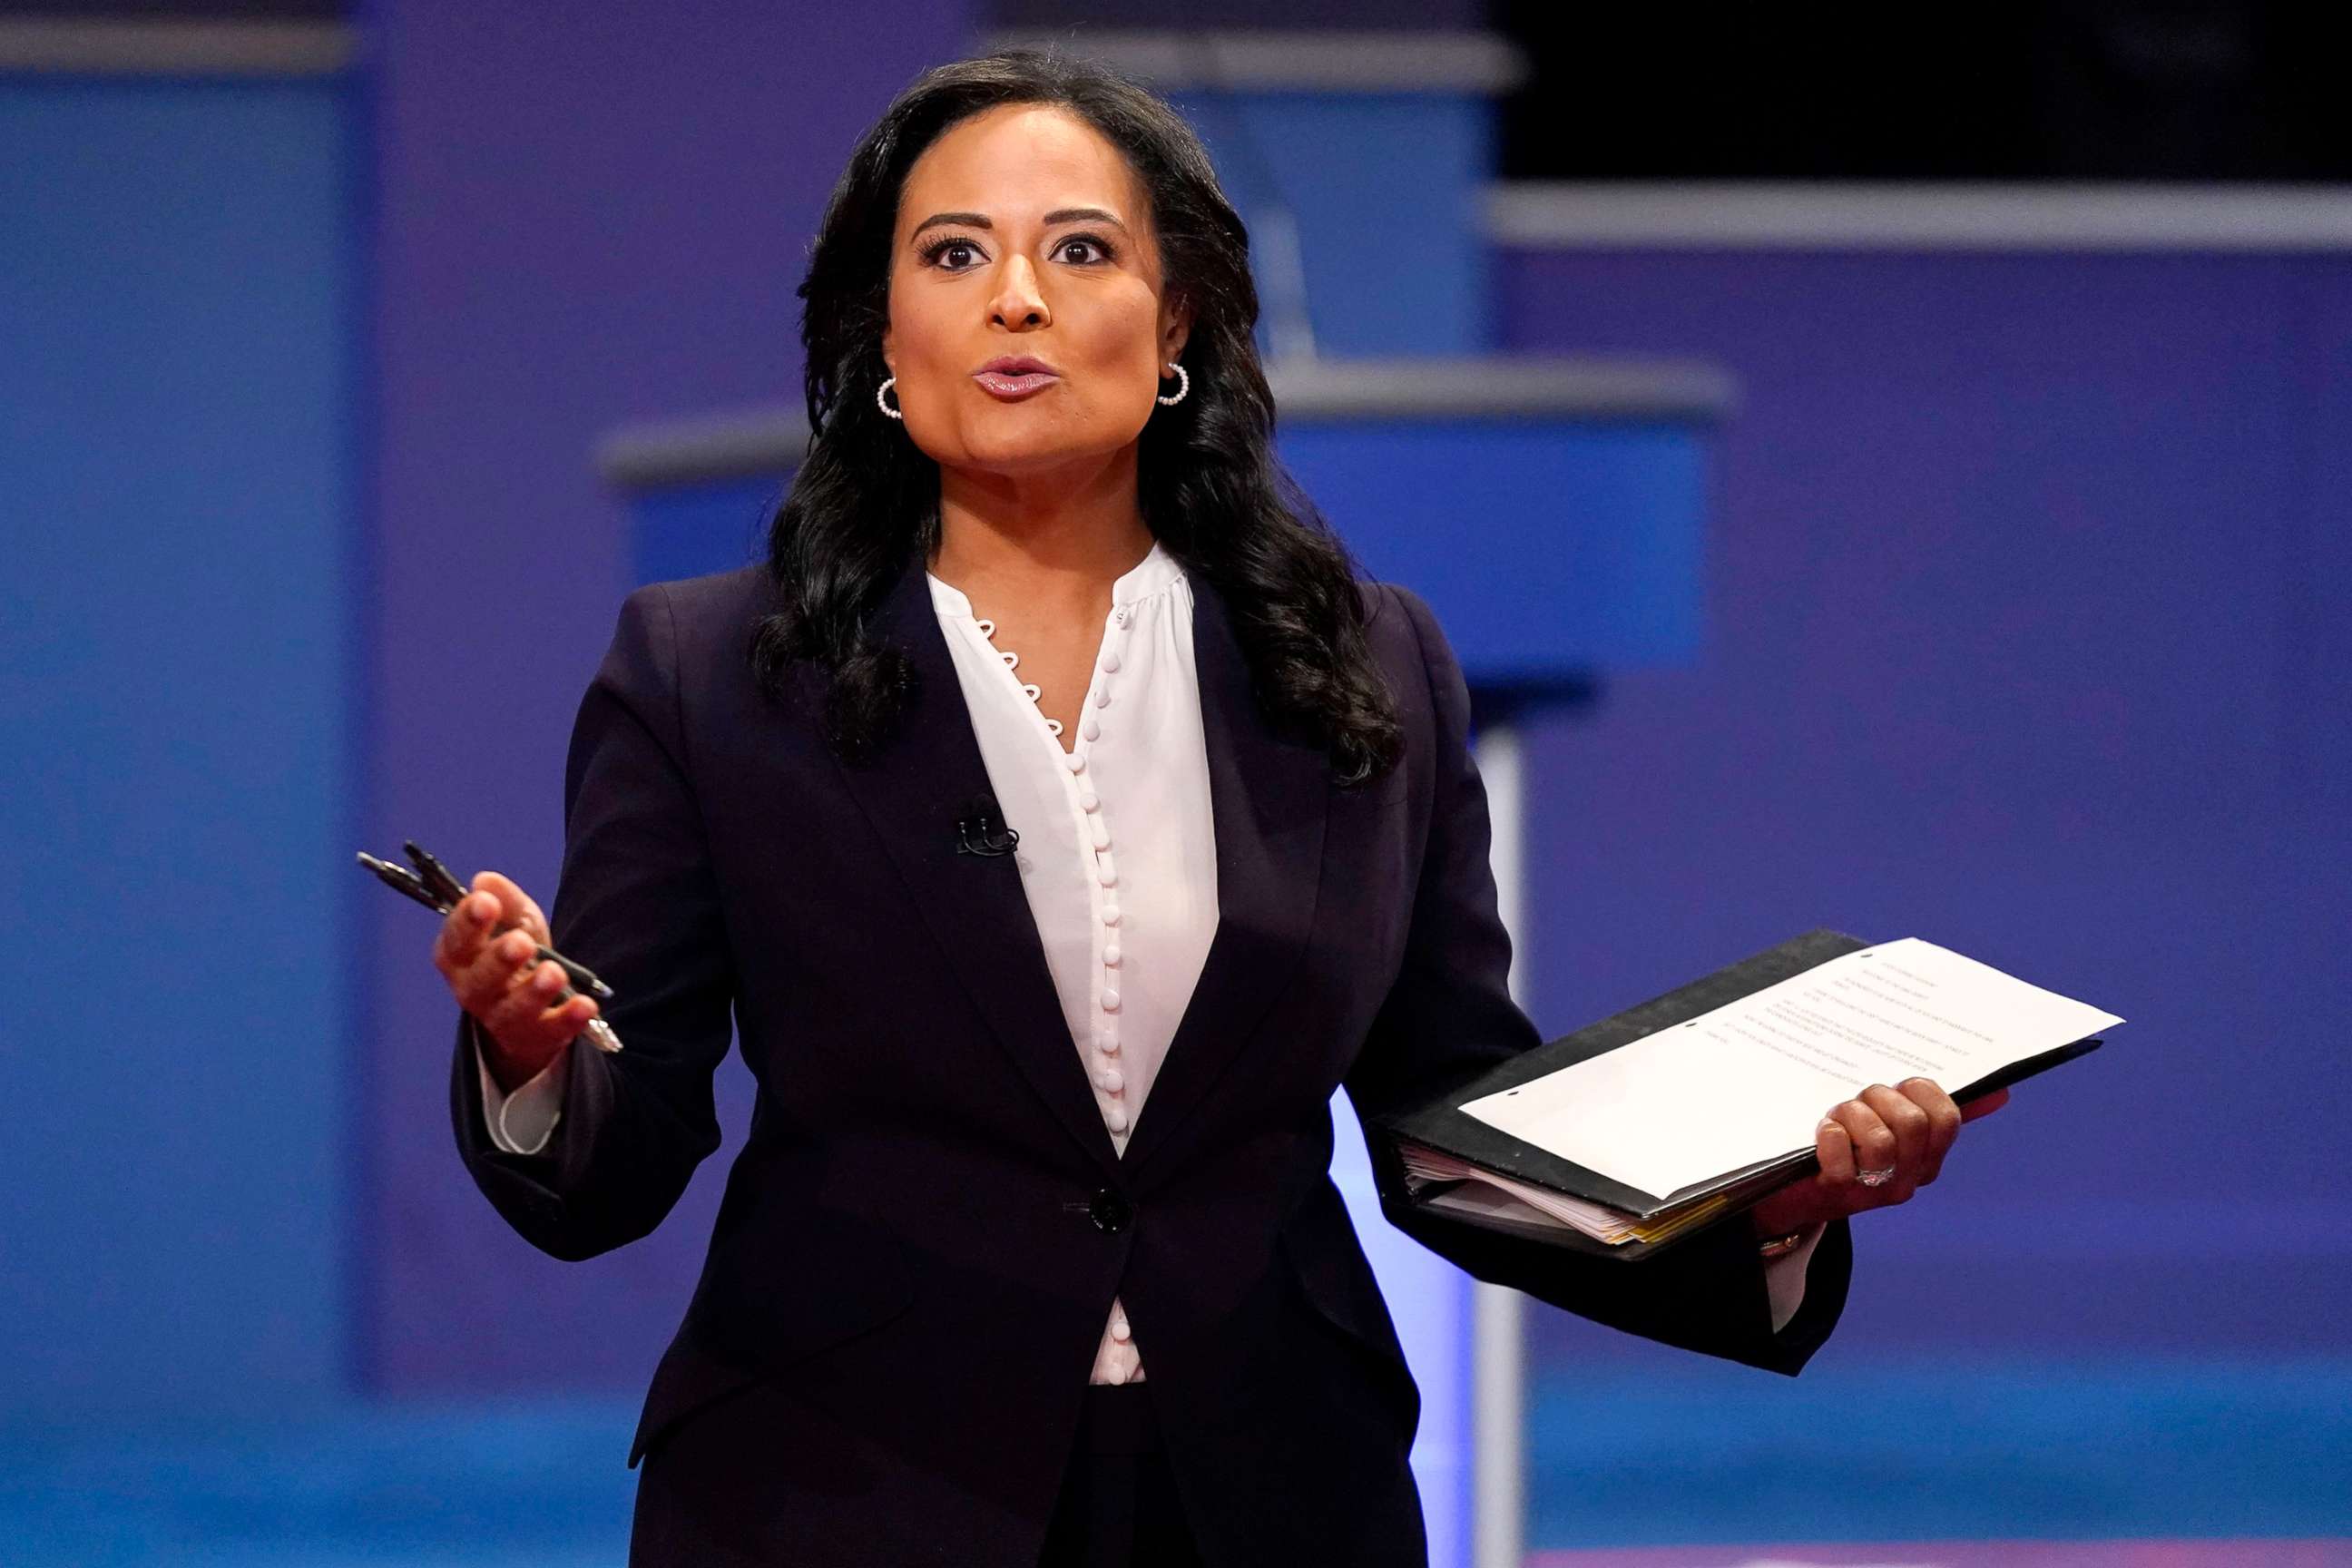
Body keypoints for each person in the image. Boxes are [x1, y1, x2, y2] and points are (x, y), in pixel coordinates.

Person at [433, 47, 2010, 1568]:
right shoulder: (709, 673)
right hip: (846, 1486)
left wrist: (1779, 1206)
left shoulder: (1364, 665)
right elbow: (620, 1154)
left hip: (1272, 1488)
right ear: (882, 333)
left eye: (1081, 249)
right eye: (956, 252)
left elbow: (1453, 1126)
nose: (1018, 297)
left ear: (1176, 315)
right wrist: (529, 1055)